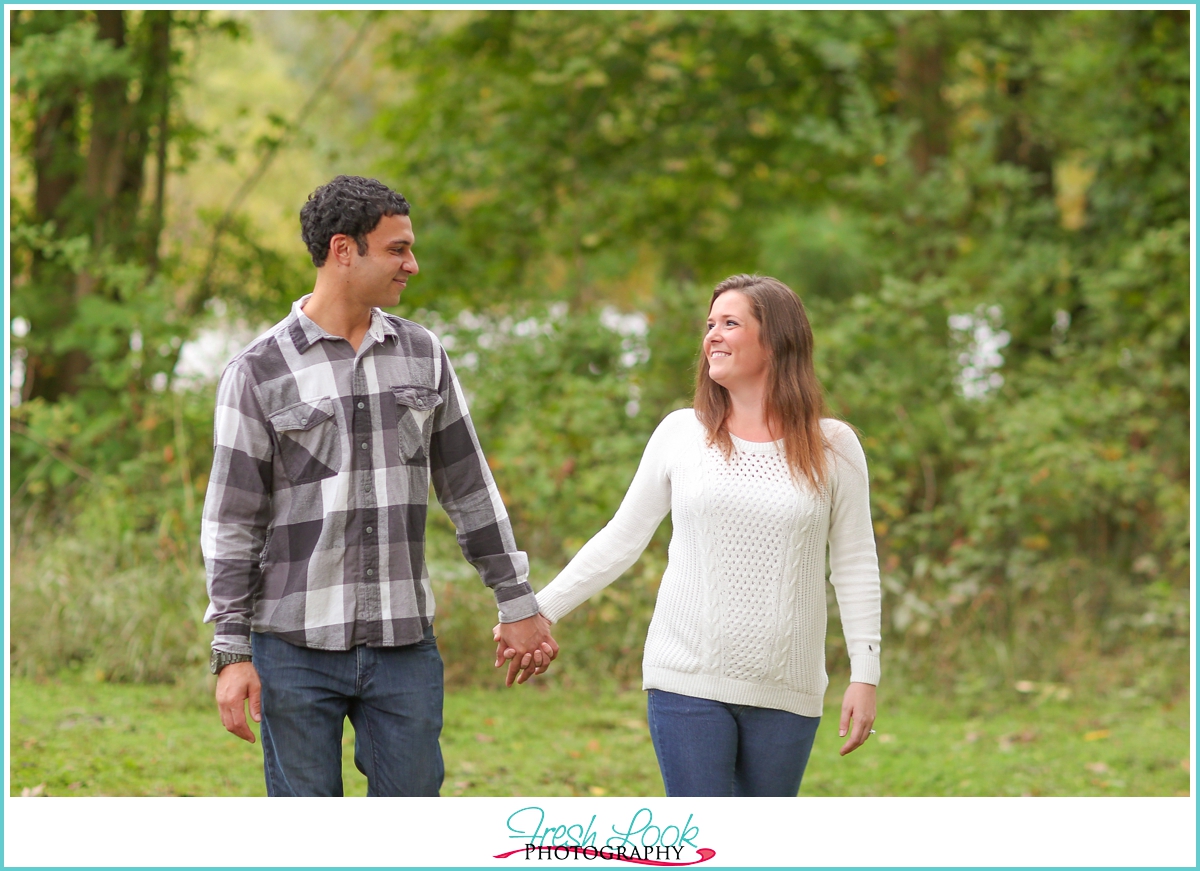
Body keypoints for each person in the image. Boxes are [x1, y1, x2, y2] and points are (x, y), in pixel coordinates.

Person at [201, 175, 557, 797]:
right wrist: (232, 653)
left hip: (403, 643)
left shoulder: (423, 354)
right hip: (292, 647)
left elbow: (469, 487)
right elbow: (231, 523)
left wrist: (517, 598)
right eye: (397, 250)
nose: (412, 265)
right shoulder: (257, 371)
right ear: (344, 250)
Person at [499, 274, 881, 797]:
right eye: (709, 325)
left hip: (787, 688)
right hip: (685, 678)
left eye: (730, 323)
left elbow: (856, 565)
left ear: (777, 340)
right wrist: (538, 611)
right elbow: (622, 539)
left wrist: (866, 672)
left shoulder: (833, 446)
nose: (712, 337)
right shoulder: (682, 433)